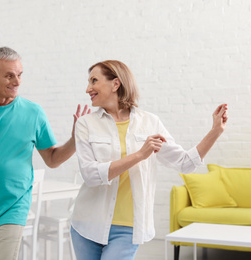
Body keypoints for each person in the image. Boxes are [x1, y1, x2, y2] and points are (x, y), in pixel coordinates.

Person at [70, 60, 228, 260]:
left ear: (115, 84)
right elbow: (91, 175)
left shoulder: (149, 123)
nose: (88, 88)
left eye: (94, 81)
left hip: (128, 228)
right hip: (87, 224)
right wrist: (139, 155)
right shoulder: (85, 124)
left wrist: (215, 131)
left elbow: (185, 162)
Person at [0, 46, 89, 260]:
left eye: (19, 75)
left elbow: (52, 159)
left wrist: (75, 140)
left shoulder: (33, 112)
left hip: (11, 209)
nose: (17, 82)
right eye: (9, 76)